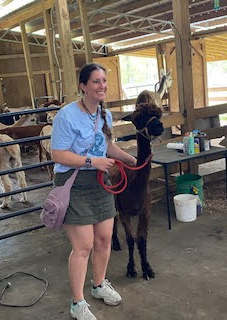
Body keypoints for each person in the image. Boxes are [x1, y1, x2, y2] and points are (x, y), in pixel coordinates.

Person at [51, 63, 137, 320]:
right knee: (83, 246)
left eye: (104, 80)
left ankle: (98, 285)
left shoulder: (104, 115)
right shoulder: (66, 116)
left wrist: (131, 159)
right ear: (83, 86)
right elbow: (58, 154)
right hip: (74, 182)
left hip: (100, 183)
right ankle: (77, 303)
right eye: (96, 81)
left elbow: (106, 146)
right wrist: (93, 162)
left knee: (104, 239)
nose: (102, 85)